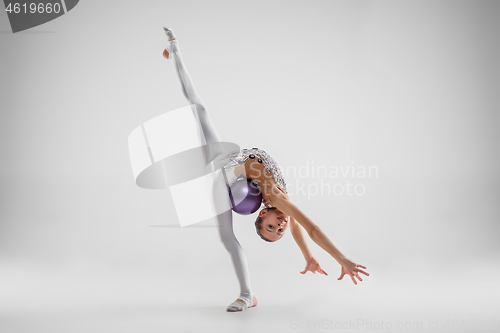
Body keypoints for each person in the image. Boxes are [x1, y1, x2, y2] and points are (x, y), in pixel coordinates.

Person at [162, 26, 369, 312]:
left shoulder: (276, 200)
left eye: (272, 227)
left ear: (262, 214)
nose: (280, 224)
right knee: (199, 109)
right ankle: (174, 51)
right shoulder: (282, 202)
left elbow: (305, 229)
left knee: (225, 236)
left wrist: (328, 257)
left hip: (220, 172)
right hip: (229, 165)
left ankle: (247, 295)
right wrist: (320, 258)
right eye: (278, 229)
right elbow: (308, 229)